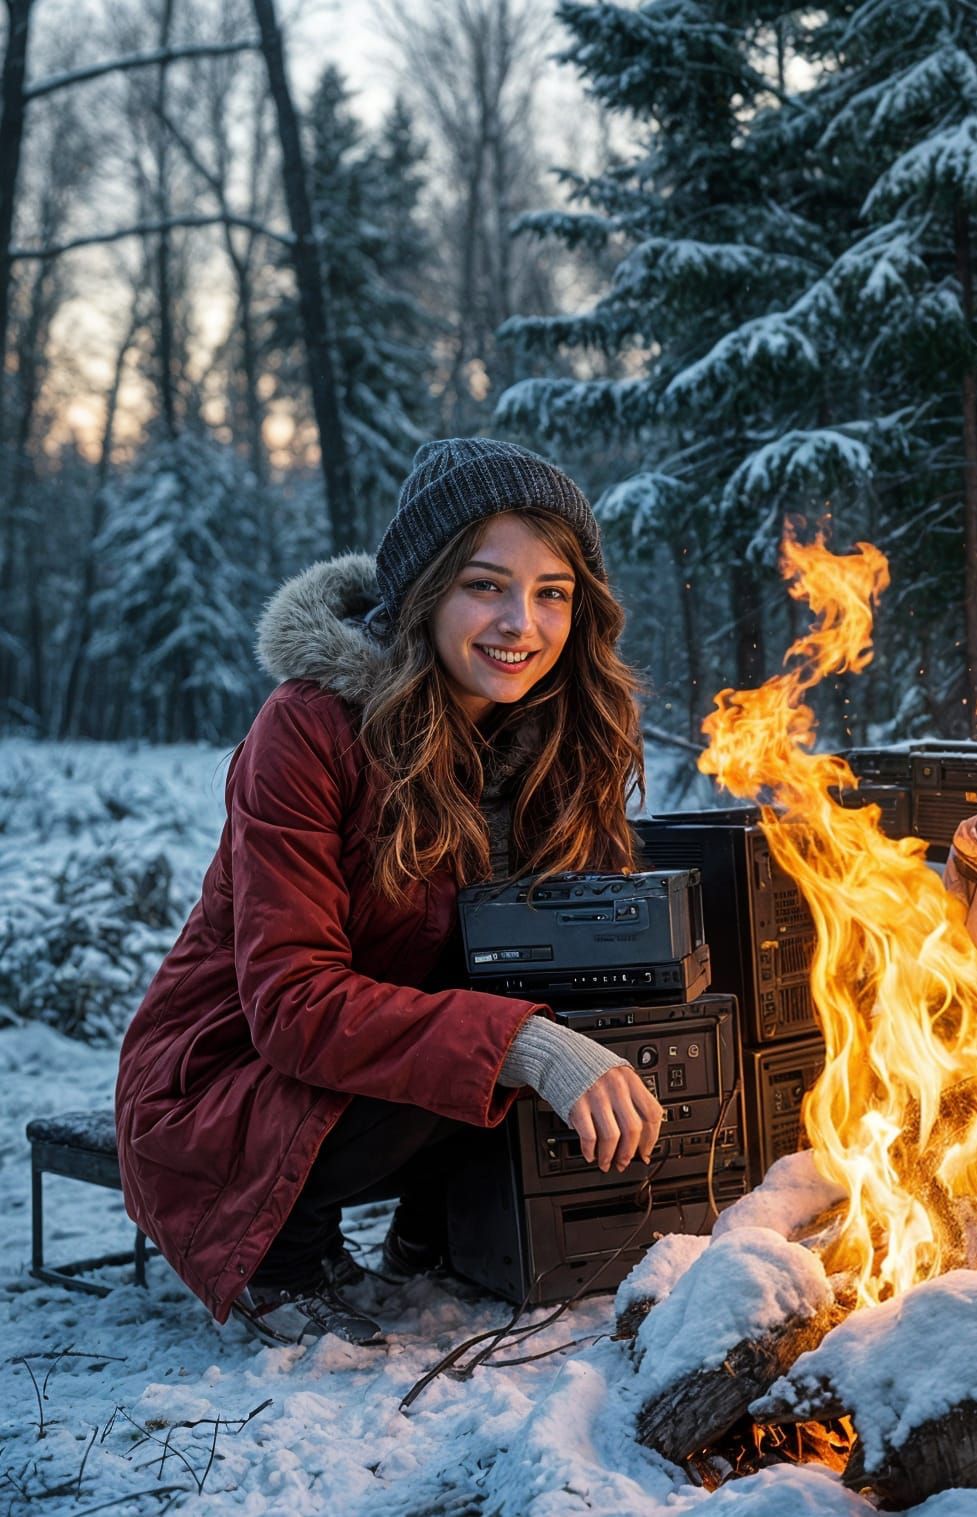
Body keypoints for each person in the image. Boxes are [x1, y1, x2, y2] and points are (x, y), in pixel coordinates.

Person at [115, 437, 664, 1348]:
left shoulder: (557, 734)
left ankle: (433, 1230)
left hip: (375, 1079)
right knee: (499, 1028)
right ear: (422, 589)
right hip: (222, 1083)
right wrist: (527, 1046)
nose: (520, 625)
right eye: (484, 584)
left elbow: (579, 948)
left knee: (545, 1004)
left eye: (551, 592)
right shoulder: (311, 727)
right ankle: (279, 1255)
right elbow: (291, 1005)